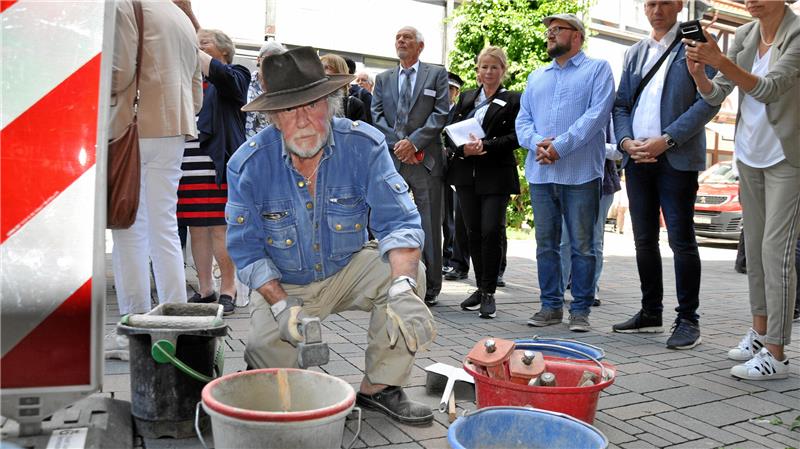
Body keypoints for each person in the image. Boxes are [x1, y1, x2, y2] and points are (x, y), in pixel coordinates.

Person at [228, 46, 436, 424]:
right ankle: (266, 369)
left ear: (332, 104)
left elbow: (399, 223)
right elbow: (245, 248)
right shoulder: (249, 164)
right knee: (269, 370)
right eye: (290, 109)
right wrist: (278, 303)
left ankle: (380, 388)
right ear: (274, 117)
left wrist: (403, 287)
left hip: (346, 270)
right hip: (284, 282)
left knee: (407, 275)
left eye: (313, 105)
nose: (304, 120)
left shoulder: (365, 146)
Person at [684, 0, 799, 379]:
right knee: (753, 245)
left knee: (775, 252)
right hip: (749, 155)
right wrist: (701, 73)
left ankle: (777, 355)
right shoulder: (747, 33)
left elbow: (770, 88)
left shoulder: (797, 34)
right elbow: (718, 93)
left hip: (786, 157)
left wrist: (721, 60)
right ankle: (760, 334)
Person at [611, 0, 720, 349]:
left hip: (676, 156)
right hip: (638, 157)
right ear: (645, 8)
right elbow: (621, 103)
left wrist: (667, 139)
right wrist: (627, 141)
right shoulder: (636, 53)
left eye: (664, 2)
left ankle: (688, 319)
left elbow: (709, 101)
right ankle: (650, 311)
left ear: (678, 5)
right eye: (651, 3)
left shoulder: (696, 40)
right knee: (643, 239)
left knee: (681, 240)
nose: (657, 9)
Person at [515, 13, 615, 332]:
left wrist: (561, 146)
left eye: (557, 30)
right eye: (548, 30)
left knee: (582, 245)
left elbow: (596, 116)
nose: (549, 34)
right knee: (545, 245)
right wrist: (537, 143)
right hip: (541, 174)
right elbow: (523, 121)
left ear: (577, 36)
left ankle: (581, 310)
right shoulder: (536, 76)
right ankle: (550, 306)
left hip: (581, 174)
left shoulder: (598, 69)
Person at [109, 0, 202, 317]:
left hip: (133, 126)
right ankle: (175, 319)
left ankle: (134, 322)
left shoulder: (126, 5)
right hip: (174, 128)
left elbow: (118, 74)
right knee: (164, 227)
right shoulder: (182, 16)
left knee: (128, 228)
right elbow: (197, 94)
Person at [372, 26, 450, 306]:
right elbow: (376, 114)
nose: (401, 41)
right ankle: (397, 279)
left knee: (429, 223)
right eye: (397, 38)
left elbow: (442, 112)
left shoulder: (436, 74)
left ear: (420, 46)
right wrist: (399, 144)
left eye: (407, 38)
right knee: (393, 221)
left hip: (425, 161)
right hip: (394, 159)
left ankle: (431, 286)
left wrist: (414, 143)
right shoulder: (383, 78)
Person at [177, 27, 249, 315]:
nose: (197, 47)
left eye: (203, 43)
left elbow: (223, 76)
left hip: (216, 165)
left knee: (221, 228)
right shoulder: (188, 80)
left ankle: (228, 288)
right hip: (188, 164)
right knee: (197, 229)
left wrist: (186, 39)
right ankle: (205, 289)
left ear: (223, 50)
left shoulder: (236, 75)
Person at [445, 47, 520, 319]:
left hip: (496, 175)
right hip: (466, 175)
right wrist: (464, 149)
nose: (488, 72)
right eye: (484, 67)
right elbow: (449, 134)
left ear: (503, 71)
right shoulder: (466, 98)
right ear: (477, 70)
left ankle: (489, 292)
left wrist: (486, 145)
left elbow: (516, 137)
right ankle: (479, 287)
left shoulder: (512, 100)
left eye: (494, 67)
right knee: (472, 232)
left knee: (491, 231)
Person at [560, 121, 622, 307]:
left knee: (594, 241)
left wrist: (589, 145)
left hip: (602, 186)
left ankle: (590, 289)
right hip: (569, 182)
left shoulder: (609, 117)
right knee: (564, 241)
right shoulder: (571, 112)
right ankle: (559, 289)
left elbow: (619, 151)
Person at [245, 40, 287, 138]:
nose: (273, 64)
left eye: (277, 61)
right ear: (258, 60)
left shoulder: (283, 90)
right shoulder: (245, 82)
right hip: (245, 145)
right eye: (268, 59)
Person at [321, 54, 369, 122]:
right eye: (321, 67)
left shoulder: (355, 104)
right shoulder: (311, 102)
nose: (324, 71)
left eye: (327, 67)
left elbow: (361, 130)